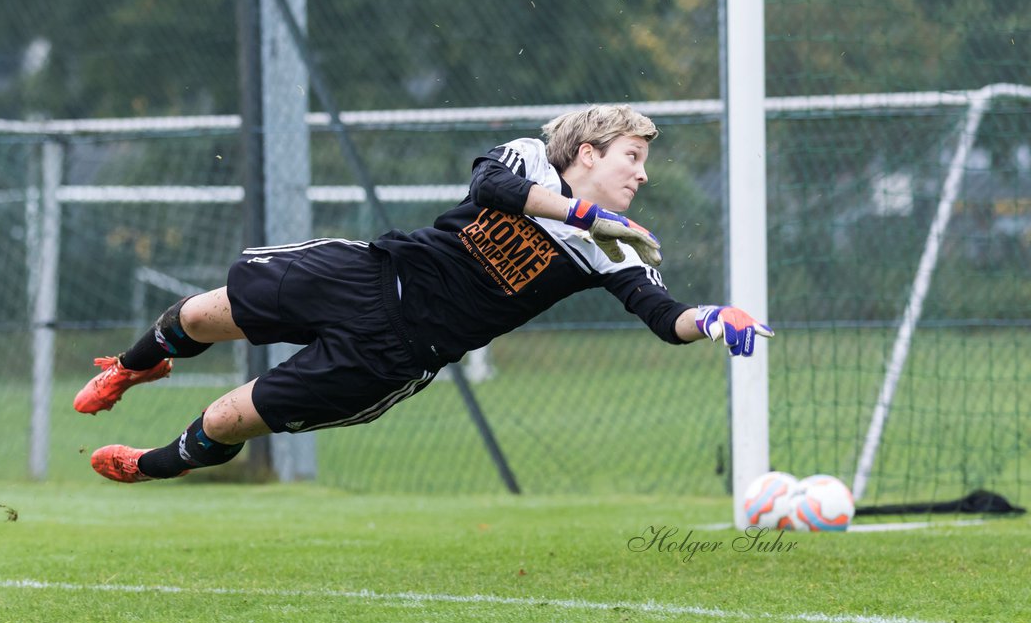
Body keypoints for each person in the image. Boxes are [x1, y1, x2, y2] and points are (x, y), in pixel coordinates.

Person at [73, 104, 773, 482]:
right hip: (371, 274)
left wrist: (711, 320)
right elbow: (488, 188)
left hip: (396, 352)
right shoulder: (531, 158)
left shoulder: (618, 247)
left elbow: (662, 315)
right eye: (634, 157)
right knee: (199, 312)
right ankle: (133, 368)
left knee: (227, 418)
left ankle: (152, 465)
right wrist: (582, 212)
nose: (643, 175)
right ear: (588, 154)